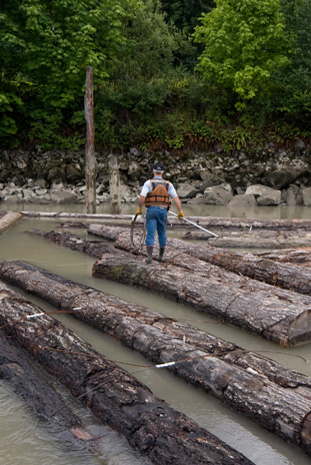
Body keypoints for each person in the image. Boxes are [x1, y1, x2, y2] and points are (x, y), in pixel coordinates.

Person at [136, 162, 184, 264]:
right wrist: (180, 211)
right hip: (163, 211)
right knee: (162, 233)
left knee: (151, 234)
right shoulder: (168, 184)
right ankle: (160, 257)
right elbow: (176, 198)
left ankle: (149, 257)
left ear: (153, 171)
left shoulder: (148, 183)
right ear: (162, 172)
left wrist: (139, 208)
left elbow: (142, 197)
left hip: (152, 210)